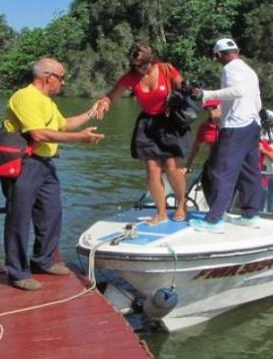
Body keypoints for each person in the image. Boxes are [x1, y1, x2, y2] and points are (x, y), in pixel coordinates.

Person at [1, 58, 105, 291]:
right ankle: (17, 271)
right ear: (49, 77)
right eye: (61, 77)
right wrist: (81, 139)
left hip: (45, 164)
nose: (63, 82)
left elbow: (63, 125)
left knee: (51, 212)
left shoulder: (46, 101)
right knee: (19, 217)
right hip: (24, 163)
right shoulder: (25, 97)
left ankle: (43, 260)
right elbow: (38, 134)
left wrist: (92, 112)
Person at [95, 43, 190, 225]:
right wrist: (104, 103)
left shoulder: (165, 68)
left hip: (169, 121)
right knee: (152, 170)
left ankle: (181, 203)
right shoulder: (131, 77)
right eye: (136, 65)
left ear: (151, 60)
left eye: (143, 65)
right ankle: (161, 212)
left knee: (172, 167)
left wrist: (188, 89)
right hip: (148, 123)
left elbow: (182, 86)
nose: (140, 69)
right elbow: (112, 96)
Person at [189, 38, 263, 234]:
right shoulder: (250, 71)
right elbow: (257, 102)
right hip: (253, 124)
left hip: (236, 126)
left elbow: (237, 91)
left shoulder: (229, 69)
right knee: (250, 172)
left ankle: (214, 220)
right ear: (237, 50)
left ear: (218, 55)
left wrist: (206, 94)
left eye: (216, 57)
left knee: (222, 172)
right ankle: (251, 214)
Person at [184, 99, 222, 202]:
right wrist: (188, 164)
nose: (211, 112)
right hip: (213, 162)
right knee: (206, 179)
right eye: (208, 109)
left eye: (214, 108)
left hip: (230, 162)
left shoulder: (231, 124)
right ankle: (212, 207)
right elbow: (196, 146)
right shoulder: (204, 127)